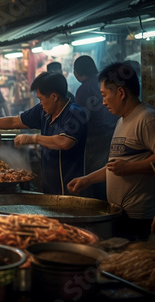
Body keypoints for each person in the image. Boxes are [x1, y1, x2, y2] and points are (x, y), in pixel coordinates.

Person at [68, 62, 155, 240]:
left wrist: (131, 168)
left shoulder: (147, 118)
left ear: (121, 93)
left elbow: (125, 167)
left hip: (140, 217)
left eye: (105, 95)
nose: (103, 101)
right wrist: (87, 180)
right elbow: (116, 166)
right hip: (120, 213)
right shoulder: (122, 120)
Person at [0, 71, 88, 195]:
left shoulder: (74, 113)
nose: (41, 103)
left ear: (54, 97)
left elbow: (65, 142)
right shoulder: (43, 111)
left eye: (41, 99)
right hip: (49, 185)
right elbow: (14, 122)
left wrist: (34, 138)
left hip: (72, 186)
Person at [73, 55, 119, 200]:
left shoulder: (83, 89)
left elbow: (81, 121)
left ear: (77, 72)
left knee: (96, 182)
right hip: (114, 134)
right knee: (110, 174)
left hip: (95, 141)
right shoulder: (103, 82)